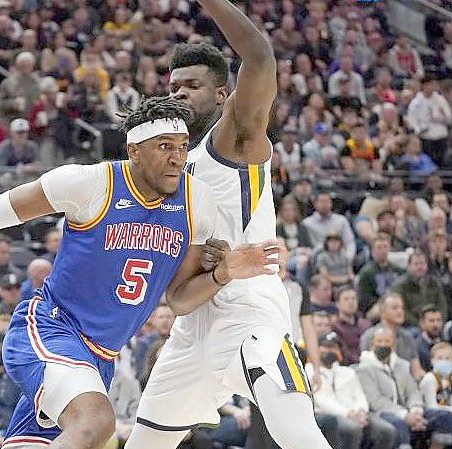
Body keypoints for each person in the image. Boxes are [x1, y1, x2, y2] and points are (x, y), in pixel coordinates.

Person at [0, 95, 279, 449]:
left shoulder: (195, 202)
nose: (176, 157)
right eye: (164, 146)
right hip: (50, 331)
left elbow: (178, 298)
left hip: (100, 359)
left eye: (182, 146)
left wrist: (224, 273)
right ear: (134, 150)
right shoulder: (91, 184)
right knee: (97, 424)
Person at [128, 1, 329, 449]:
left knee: (296, 429)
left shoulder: (233, 138)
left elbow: (259, 58)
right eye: (174, 86)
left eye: (192, 85)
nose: (178, 94)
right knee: (145, 442)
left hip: (249, 308)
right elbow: (177, 296)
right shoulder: (169, 170)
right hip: (194, 320)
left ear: (222, 96)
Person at [356, 328, 452, 449]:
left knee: (444, 416)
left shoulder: (402, 365)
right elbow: (375, 400)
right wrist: (404, 415)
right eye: (379, 341)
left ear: (394, 345)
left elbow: (413, 391)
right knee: (399, 424)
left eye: (387, 341)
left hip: (408, 411)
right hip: (381, 413)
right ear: (372, 345)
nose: (383, 345)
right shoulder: (364, 369)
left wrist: (416, 411)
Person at [306, 335, 396, 449]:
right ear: (316, 349)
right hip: (330, 415)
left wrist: (361, 411)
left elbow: (360, 396)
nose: (330, 351)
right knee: (352, 429)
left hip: (357, 413)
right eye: (326, 347)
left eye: (334, 347)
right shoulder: (309, 372)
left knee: (386, 430)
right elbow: (322, 401)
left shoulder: (348, 372)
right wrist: (348, 414)